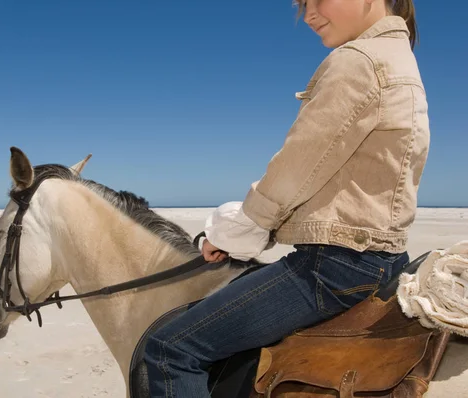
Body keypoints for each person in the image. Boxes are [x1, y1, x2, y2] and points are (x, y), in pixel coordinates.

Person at [143, 0, 429, 396]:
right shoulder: (399, 60)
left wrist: (231, 235)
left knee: (168, 349)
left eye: (317, 0)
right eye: (302, 4)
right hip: (383, 261)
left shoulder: (360, 60)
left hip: (332, 269)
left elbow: (296, 170)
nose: (308, 14)